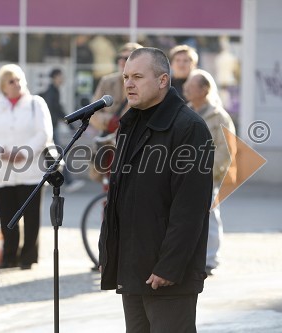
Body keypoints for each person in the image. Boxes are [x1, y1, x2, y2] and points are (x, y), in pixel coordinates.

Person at [98, 47, 214, 333]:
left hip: (168, 275)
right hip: (132, 267)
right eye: (126, 76)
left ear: (163, 80)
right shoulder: (129, 124)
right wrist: (108, 253)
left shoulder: (190, 128)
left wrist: (169, 267)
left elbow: (190, 208)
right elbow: (116, 198)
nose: (128, 83)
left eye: (137, 76)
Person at [0, 64, 53, 270]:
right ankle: (9, 256)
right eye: (12, 81)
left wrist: (24, 152)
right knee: (7, 215)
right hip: (2, 171)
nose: (17, 84)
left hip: (30, 170)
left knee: (31, 216)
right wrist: (0, 152)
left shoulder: (35, 104)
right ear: (3, 86)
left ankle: (28, 257)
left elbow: (44, 133)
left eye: (20, 79)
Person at [183, 68, 237, 276]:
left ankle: (210, 260)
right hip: (183, 174)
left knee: (209, 217)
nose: (186, 89)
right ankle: (188, 256)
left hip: (207, 176)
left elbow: (226, 149)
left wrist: (205, 172)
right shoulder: (185, 112)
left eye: (191, 85)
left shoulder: (219, 116)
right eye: (186, 85)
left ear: (204, 90)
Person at [41, 68, 85, 192]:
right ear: (55, 77)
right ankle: (68, 181)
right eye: (61, 76)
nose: (63, 79)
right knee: (58, 154)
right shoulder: (52, 92)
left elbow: (58, 109)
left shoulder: (54, 91)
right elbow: (55, 110)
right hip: (50, 128)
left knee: (53, 155)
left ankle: (54, 179)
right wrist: (68, 123)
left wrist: (69, 122)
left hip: (51, 127)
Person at [90, 42, 143, 133]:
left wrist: (122, 122)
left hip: (135, 139)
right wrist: (109, 120)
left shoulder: (145, 83)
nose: (122, 62)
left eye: (127, 58)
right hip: (109, 143)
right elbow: (92, 113)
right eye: (120, 58)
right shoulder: (106, 81)